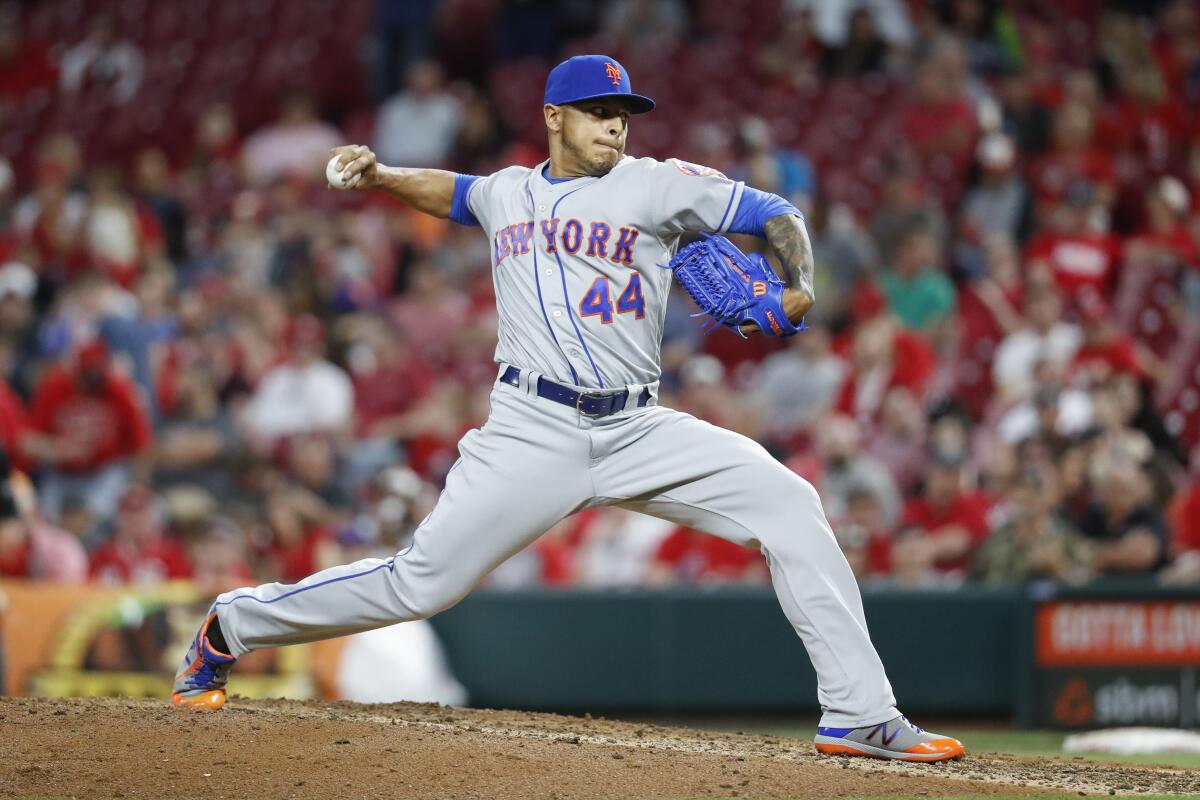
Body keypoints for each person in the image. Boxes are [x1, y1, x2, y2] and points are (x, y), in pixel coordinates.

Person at [172, 54, 964, 763]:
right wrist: (381, 174)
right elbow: (453, 193)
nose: (615, 128)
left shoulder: (656, 183)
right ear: (554, 117)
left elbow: (775, 215)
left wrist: (798, 283)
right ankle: (232, 625)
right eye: (598, 114)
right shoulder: (509, 193)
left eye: (622, 116)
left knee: (791, 505)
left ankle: (859, 716)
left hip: (637, 425)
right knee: (420, 584)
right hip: (531, 430)